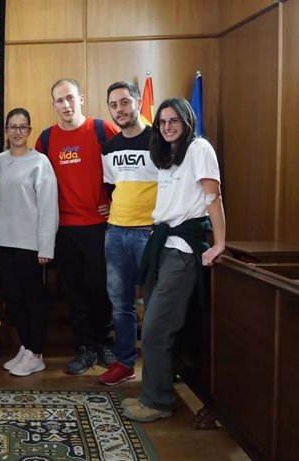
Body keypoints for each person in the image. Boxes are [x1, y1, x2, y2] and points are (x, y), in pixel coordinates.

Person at [122, 98, 226, 422]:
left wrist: (220, 243)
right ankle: (155, 393)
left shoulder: (199, 149)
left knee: (155, 328)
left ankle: (157, 402)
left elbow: (213, 197)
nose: (167, 126)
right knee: (152, 326)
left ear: (186, 120)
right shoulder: (167, 156)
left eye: (173, 120)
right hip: (162, 246)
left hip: (182, 250)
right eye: (162, 122)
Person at [35, 78, 119, 375]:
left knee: (101, 289)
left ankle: (104, 343)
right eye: (60, 100)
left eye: (70, 98)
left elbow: (128, 171)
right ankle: (84, 347)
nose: (66, 105)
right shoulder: (45, 139)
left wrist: (116, 202)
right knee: (73, 291)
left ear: (81, 98)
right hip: (64, 230)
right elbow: (39, 185)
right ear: (54, 105)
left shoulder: (102, 130)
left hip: (99, 227)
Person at [99, 82, 158, 386]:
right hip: (116, 233)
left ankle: (159, 367)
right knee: (120, 304)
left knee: (154, 304)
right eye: (113, 105)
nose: (119, 110)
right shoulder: (109, 148)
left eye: (124, 102)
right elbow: (112, 188)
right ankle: (125, 363)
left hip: (149, 234)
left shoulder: (159, 140)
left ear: (137, 102)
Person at [0, 108, 58, 377]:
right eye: (12, 126)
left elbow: (48, 207)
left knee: (34, 299)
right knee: (13, 298)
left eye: (23, 127)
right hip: (3, 242)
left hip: (30, 245)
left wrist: (46, 246)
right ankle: (26, 346)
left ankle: (36, 352)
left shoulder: (40, 162)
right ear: (5, 131)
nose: (17, 131)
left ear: (29, 130)